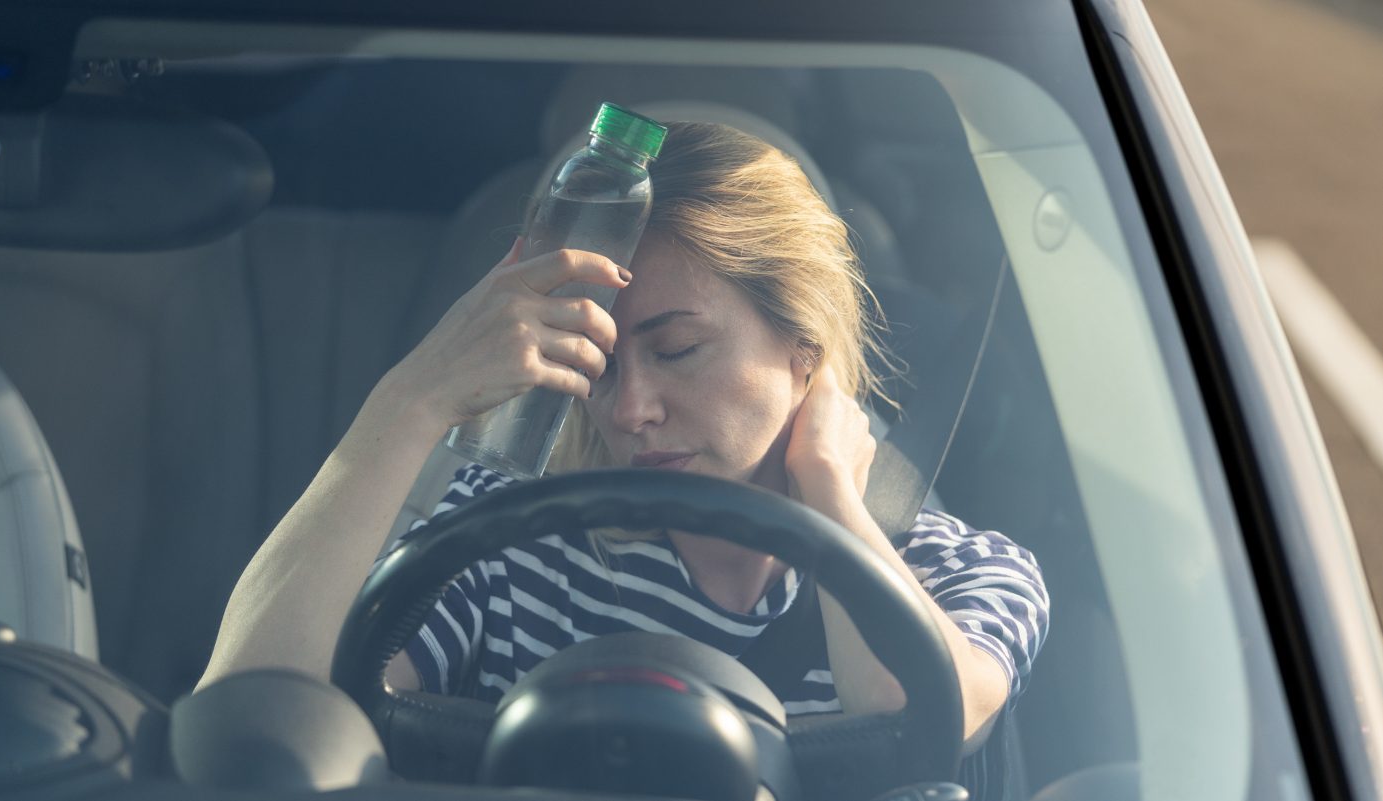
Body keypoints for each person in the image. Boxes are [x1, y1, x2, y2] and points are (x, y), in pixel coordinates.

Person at [201, 121, 1048, 799]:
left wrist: (827, 488)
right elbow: (256, 713)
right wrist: (409, 401)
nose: (629, 408)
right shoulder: (504, 543)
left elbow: (912, 711)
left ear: (803, 349)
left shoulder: (957, 570)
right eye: (596, 368)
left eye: (677, 350)